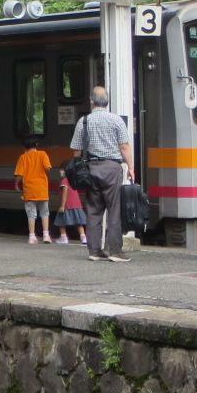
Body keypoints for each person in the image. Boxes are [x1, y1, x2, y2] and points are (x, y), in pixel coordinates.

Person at [69, 85, 135, 262]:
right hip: (112, 168)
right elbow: (124, 146)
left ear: (92, 101)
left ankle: (94, 251)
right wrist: (131, 167)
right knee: (114, 210)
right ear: (107, 102)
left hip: (91, 168)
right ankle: (114, 251)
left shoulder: (84, 121)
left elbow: (76, 150)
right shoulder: (116, 121)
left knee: (93, 210)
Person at [13, 135, 54, 245]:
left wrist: (16, 184)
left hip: (29, 190)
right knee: (45, 212)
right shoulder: (43, 154)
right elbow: (47, 168)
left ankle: (32, 236)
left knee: (31, 214)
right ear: (36, 145)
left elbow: (19, 175)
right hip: (42, 189)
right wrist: (45, 176)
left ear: (25, 147)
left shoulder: (23, 157)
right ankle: (46, 235)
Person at [54, 168, 87, 246]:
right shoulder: (73, 180)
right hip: (77, 204)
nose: (60, 172)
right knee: (79, 222)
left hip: (67, 204)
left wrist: (62, 205)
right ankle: (83, 237)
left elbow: (65, 192)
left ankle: (63, 237)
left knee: (61, 221)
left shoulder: (64, 180)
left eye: (61, 170)